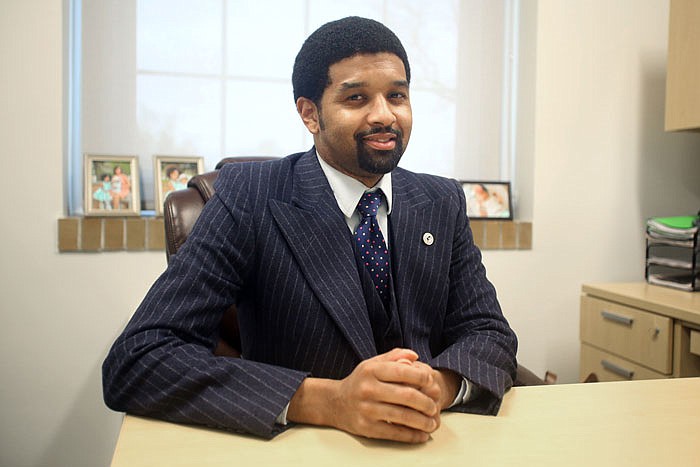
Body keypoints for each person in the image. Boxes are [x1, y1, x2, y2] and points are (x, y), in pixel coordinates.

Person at [102, 16, 517, 444]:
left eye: (397, 95)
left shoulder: (441, 200)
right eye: (356, 98)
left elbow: (489, 332)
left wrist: (439, 386)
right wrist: (327, 401)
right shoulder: (249, 196)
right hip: (303, 446)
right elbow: (138, 359)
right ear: (309, 114)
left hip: (434, 441)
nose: (384, 115)